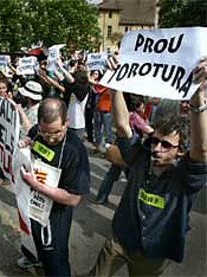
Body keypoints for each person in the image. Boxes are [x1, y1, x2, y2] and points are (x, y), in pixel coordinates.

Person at [90, 56, 207, 276]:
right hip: (120, 239)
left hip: (153, 252)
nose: (156, 148)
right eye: (155, 141)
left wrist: (197, 97)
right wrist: (115, 86)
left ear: (180, 150)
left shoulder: (185, 178)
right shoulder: (140, 158)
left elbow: (201, 151)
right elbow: (123, 126)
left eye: (166, 144)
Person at [18, 97, 90, 276]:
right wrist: (27, 140)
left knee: (55, 256)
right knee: (37, 242)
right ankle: (38, 259)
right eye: (45, 132)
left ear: (67, 122)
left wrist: (37, 185)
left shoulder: (75, 151)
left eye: (56, 132)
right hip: (33, 203)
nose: (50, 138)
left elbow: (73, 199)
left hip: (56, 214)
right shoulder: (38, 131)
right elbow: (32, 131)